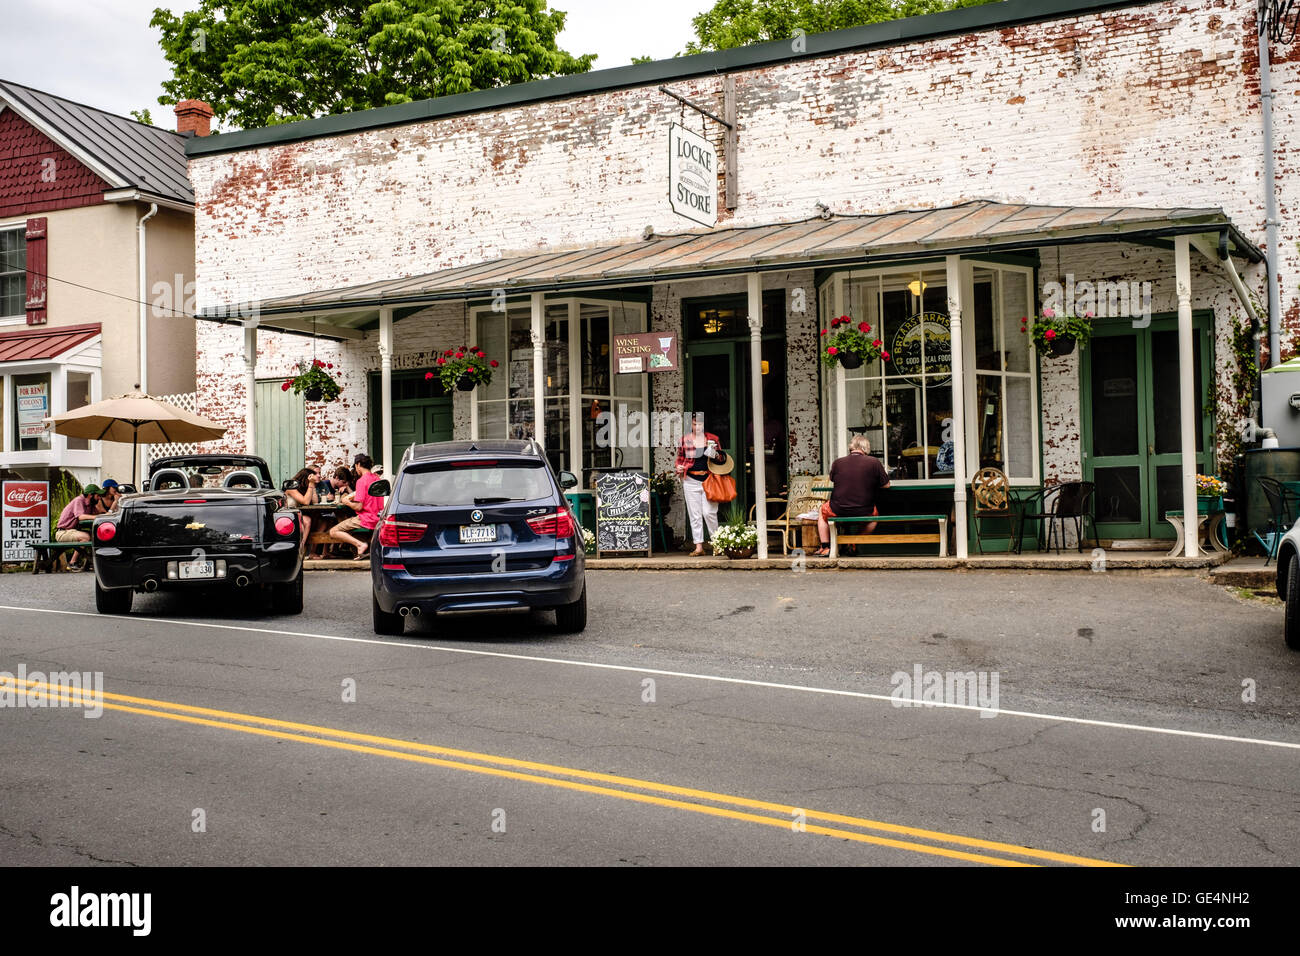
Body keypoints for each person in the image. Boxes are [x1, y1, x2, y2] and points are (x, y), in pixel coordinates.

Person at [815, 434, 891, 557]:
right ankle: (853, 542)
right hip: (864, 509)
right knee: (874, 516)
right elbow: (886, 485)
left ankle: (825, 547)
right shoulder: (874, 462)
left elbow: (832, 479)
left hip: (837, 508)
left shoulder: (838, 462)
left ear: (851, 447)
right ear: (865, 448)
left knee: (822, 511)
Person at [675, 415, 725, 556]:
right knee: (695, 514)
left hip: (709, 479)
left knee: (709, 512)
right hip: (690, 480)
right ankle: (699, 547)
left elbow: (721, 458)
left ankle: (718, 544)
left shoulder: (713, 439)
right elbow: (680, 459)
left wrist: (714, 453)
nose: (698, 427)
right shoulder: (684, 440)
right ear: (691, 424)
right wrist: (679, 467)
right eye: (695, 424)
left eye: (700, 424)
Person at [330, 453, 383, 560]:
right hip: (378, 517)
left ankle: (360, 545)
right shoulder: (376, 478)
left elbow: (359, 507)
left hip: (366, 518)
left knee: (333, 531)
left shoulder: (361, 481)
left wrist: (346, 502)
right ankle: (359, 548)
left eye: (356, 466)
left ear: (358, 464)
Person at [285, 467, 321, 558]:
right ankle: (300, 547)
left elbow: (315, 501)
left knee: (316, 519)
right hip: (286, 514)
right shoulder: (291, 486)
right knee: (307, 520)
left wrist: (312, 486)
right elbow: (305, 502)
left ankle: (302, 547)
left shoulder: (304, 486)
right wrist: (311, 484)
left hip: (295, 513)